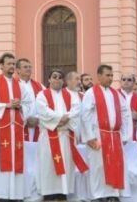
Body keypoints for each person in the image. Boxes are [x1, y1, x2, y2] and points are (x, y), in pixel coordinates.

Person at [0, 52, 34, 201]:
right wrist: (6, 105)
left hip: (16, 127)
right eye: (9, 64)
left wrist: (20, 106)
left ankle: (16, 193)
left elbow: (29, 103)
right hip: (1, 129)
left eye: (13, 64)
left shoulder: (20, 84)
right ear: (1, 66)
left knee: (17, 160)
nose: (11, 66)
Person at [80, 64, 132, 200]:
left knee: (115, 165)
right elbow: (84, 115)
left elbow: (125, 112)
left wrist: (126, 134)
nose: (110, 78)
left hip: (114, 136)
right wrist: (90, 137)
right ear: (99, 76)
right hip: (98, 135)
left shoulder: (116, 93)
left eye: (111, 75)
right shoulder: (91, 93)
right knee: (98, 166)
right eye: (107, 75)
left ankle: (113, 194)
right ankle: (98, 195)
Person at [35, 69, 88, 200]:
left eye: (60, 77)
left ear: (63, 81)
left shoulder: (71, 95)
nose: (57, 79)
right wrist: (61, 118)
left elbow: (76, 111)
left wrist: (64, 118)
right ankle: (49, 192)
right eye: (54, 77)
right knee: (48, 164)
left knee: (66, 164)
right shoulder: (42, 94)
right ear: (49, 79)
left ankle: (63, 191)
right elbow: (43, 112)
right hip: (48, 135)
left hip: (65, 136)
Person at [16, 58, 44, 142]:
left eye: (30, 67)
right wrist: (25, 119)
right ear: (18, 70)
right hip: (21, 124)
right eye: (25, 67)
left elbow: (46, 105)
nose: (28, 69)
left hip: (37, 124)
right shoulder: (13, 85)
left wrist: (38, 119)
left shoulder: (39, 86)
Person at [120, 72, 137, 146]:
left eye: (129, 80)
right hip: (118, 133)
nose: (126, 81)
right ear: (120, 81)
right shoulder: (115, 95)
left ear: (133, 83)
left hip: (133, 134)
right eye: (124, 79)